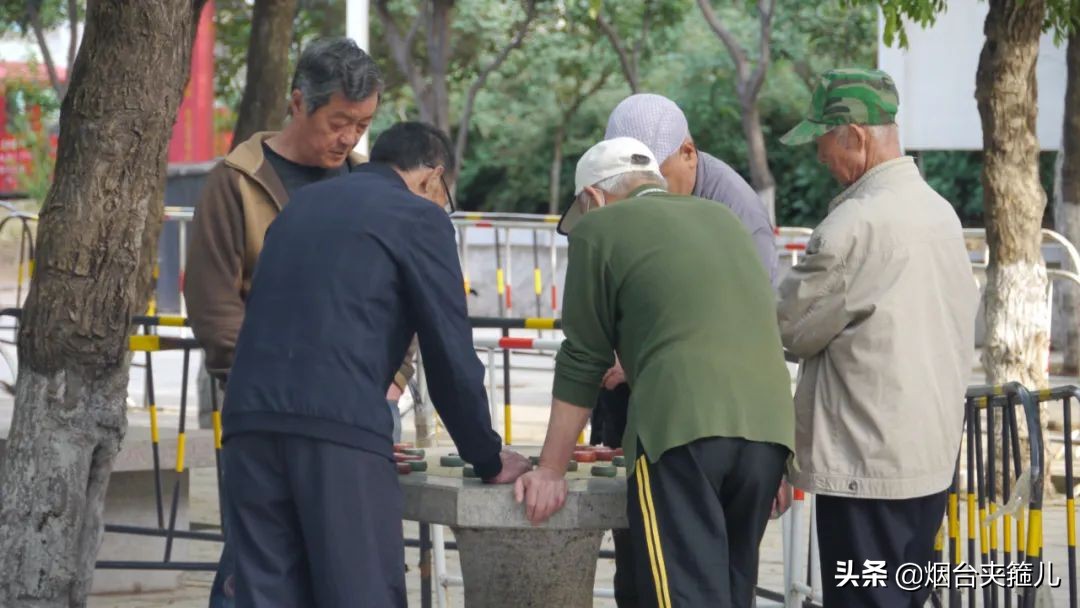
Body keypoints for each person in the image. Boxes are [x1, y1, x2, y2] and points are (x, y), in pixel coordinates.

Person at [221, 121, 531, 607]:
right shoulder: (419, 218)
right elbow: (449, 352)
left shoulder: (302, 205)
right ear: (433, 176)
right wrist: (487, 456)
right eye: (445, 196)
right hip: (339, 426)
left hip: (248, 420)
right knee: (359, 591)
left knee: (261, 593)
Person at [515, 137, 795, 608]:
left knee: (680, 596)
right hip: (768, 432)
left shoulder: (599, 227)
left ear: (593, 197)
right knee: (731, 593)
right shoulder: (722, 219)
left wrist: (550, 469)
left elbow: (584, 357)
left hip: (680, 430)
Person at [184, 38, 414, 605]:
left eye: (362, 125)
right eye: (338, 122)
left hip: (359, 413)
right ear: (297, 103)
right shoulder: (237, 183)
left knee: (353, 573)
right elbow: (214, 307)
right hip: (268, 413)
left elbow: (402, 298)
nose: (349, 138)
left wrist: (393, 379)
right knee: (264, 571)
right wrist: (267, 380)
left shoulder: (368, 187)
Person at [776, 68, 977, 607]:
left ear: (855, 135)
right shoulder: (940, 213)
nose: (820, 157)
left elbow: (789, 327)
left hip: (867, 467)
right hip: (927, 460)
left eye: (822, 141)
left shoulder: (855, 225)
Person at [596, 92, 780, 606]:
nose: (646, 191)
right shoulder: (614, 196)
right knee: (640, 567)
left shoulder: (734, 210)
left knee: (705, 579)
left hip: (709, 416)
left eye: (656, 175)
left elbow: (756, 323)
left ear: (689, 152)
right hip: (635, 401)